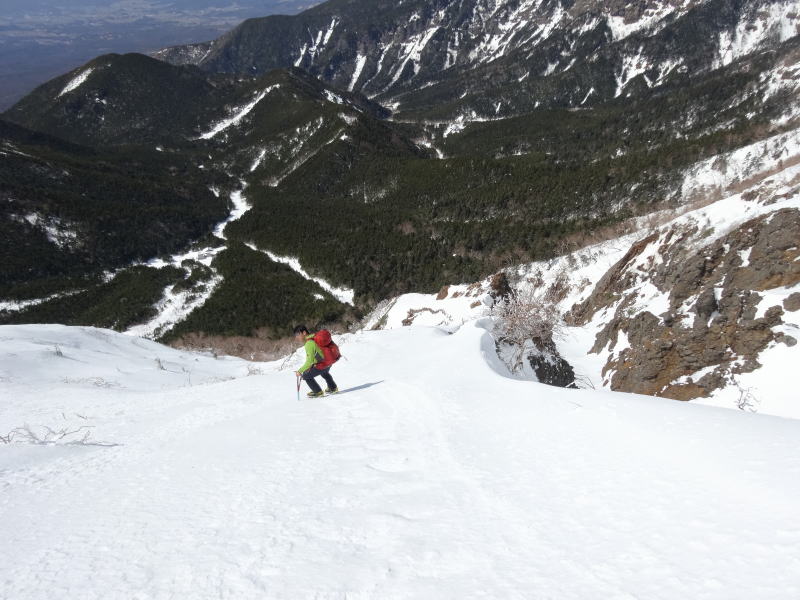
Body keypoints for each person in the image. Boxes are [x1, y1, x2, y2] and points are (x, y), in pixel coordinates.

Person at [294, 325, 338, 397]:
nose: (296, 337)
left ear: (304, 333)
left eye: (297, 334)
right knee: (324, 372)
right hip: (329, 362)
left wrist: (300, 371)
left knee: (306, 375)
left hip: (323, 364)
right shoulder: (315, 337)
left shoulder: (309, 343)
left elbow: (309, 362)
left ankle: (317, 392)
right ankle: (333, 388)